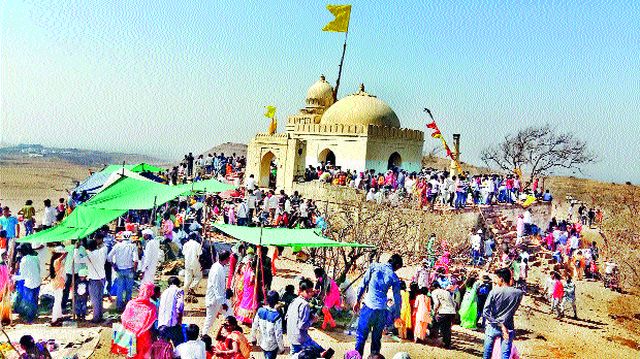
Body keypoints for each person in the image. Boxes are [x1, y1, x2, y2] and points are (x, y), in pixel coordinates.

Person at [353, 254, 403, 356]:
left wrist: (357, 300)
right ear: (397, 265)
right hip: (381, 311)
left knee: (361, 337)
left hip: (368, 307)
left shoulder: (374, 266)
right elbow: (397, 299)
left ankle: (356, 357)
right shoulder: (394, 277)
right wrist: (397, 316)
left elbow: (363, 284)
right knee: (376, 340)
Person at [287, 278, 335, 358]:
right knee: (321, 352)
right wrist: (312, 320)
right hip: (301, 339)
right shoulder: (305, 304)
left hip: (291, 336)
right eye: (308, 292)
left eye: (311, 291)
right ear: (301, 290)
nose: (310, 294)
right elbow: (302, 325)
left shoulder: (294, 301)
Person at [482, 268, 524, 359]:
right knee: (505, 355)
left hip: (493, 326)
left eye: (497, 278)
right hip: (508, 326)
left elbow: (485, 312)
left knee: (487, 354)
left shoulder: (494, 292)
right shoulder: (518, 293)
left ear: (501, 279)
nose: (496, 281)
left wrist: (499, 324)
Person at [117, 283, 158, 359]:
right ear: (151, 292)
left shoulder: (131, 303)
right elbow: (151, 326)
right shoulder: (151, 307)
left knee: (130, 355)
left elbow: (124, 319)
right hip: (144, 337)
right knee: (142, 355)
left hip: (129, 334)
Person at [74, 238, 108, 322]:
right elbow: (105, 247)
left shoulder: (89, 256)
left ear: (88, 248)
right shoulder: (101, 252)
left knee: (94, 300)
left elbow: (77, 260)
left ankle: (96, 318)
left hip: (94, 279)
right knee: (100, 298)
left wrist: (76, 249)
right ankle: (99, 315)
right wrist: (100, 244)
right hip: (102, 277)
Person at [203, 250, 232, 336]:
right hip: (214, 300)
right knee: (210, 320)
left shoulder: (219, 266)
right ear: (227, 259)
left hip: (220, 298)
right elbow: (217, 287)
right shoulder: (217, 269)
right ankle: (204, 335)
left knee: (230, 315)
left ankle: (231, 334)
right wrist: (222, 303)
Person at [250, 290, 285, 359]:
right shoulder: (277, 316)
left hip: (262, 342)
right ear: (277, 301)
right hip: (272, 345)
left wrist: (253, 338)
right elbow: (278, 334)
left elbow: (254, 326)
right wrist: (281, 348)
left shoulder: (260, 311)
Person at [109, 231, 139, 311]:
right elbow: (136, 260)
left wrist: (114, 265)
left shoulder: (117, 246)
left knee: (120, 289)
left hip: (119, 270)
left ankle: (119, 307)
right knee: (129, 289)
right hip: (129, 270)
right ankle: (127, 306)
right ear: (130, 237)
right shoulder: (132, 246)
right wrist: (134, 270)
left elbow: (109, 257)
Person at [13, 244, 41, 323]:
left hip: (29, 284)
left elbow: (23, 276)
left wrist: (13, 277)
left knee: (28, 302)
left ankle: (29, 319)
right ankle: (34, 315)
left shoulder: (23, 261)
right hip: (37, 281)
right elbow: (39, 269)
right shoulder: (36, 258)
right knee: (35, 299)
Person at [158, 276, 185, 346]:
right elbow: (180, 305)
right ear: (178, 284)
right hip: (172, 324)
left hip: (161, 325)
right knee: (179, 347)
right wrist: (179, 318)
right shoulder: (179, 290)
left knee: (163, 350)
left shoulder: (164, 292)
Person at [430, 281, 456, 349]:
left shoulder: (434, 292)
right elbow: (454, 304)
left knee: (435, 325)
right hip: (452, 312)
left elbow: (436, 303)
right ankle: (447, 344)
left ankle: (434, 341)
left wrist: (435, 312)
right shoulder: (447, 292)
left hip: (443, 312)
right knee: (447, 329)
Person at [50, 246, 67, 326]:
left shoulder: (54, 260)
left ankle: (58, 316)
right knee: (57, 301)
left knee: (58, 301)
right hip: (58, 283)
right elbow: (64, 255)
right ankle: (54, 319)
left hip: (57, 283)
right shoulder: (57, 261)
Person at [183, 233, 203, 297]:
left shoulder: (185, 244)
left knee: (188, 277)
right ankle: (192, 287)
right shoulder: (197, 244)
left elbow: (183, 253)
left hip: (187, 262)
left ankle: (186, 289)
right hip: (195, 261)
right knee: (198, 276)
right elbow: (199, 254)